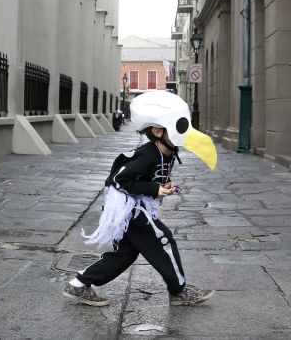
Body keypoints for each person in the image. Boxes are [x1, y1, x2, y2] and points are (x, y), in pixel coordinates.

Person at [63, 90, 218, 307]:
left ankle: (78, 284)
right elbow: (121, 179)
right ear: (157, 131)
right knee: (162, 239)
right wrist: (154, 189)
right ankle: (179, 290)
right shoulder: (148, 153)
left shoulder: (168, 151)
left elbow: (151, 176)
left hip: (136, 202)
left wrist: (164, 185)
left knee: (126, 255)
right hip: (128, 205)